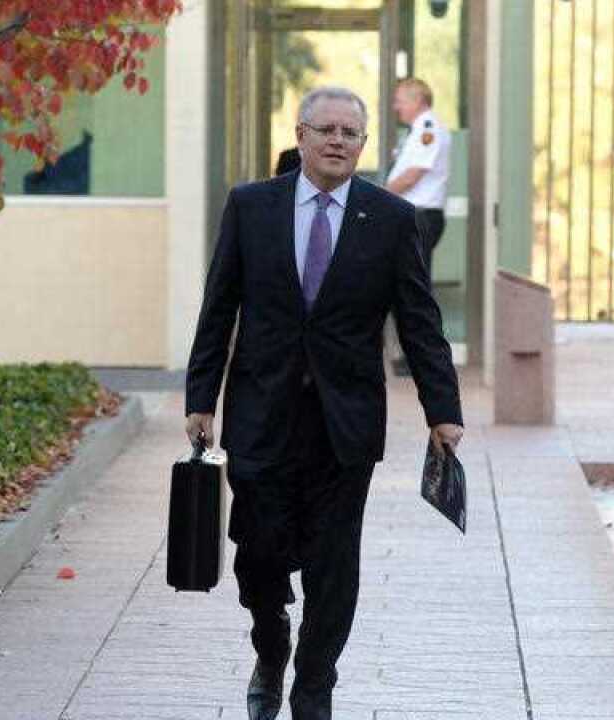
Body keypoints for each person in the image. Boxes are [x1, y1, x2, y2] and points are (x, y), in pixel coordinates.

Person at [185, 86, 464, 720]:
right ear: (301, 135)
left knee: (333, 565)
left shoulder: (390, 218)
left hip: (345, 424)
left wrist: (442, 410)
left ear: (363, 145)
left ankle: (314, 687)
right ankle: (271, 645)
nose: (338, 140)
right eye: (326, 129)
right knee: (259, 554)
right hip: (262, 414)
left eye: (350, 133)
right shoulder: (251, 206)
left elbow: (420, 322)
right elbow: (218, 306)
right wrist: (201, 397)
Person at [385, 77, 451, 376]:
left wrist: (377, 196)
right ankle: (411, 356)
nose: (396, 107)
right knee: (407, 286)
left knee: (415, 290)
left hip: (420, 218)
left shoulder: (428, 129)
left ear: (418, 101)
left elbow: (413, 176)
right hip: (412, 216)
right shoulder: (416, 131)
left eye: (400, 100)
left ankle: (423, 359)